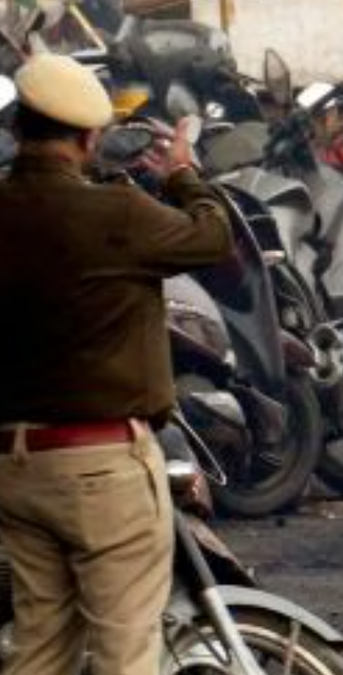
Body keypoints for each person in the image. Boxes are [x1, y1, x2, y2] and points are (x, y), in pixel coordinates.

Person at [0, 53, 233, 674]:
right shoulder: (117, 213)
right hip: (104, 468)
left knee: (38, 649)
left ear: (18, 129)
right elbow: (213, 239)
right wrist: (184, 173)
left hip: (17, 466)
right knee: (125, 649)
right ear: (88, 137)